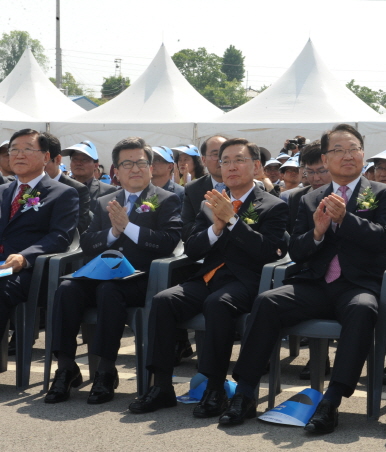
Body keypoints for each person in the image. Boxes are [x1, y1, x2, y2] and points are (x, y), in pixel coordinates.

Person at [222, 124, 386, 433]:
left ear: (363, 155)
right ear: (326, 158)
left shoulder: (383, 193)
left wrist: (346, 220)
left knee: (362, 310)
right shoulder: (308, 198)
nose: (348, 156)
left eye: (354, 149)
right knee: (267, 301)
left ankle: (331, 401)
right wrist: (317, 232)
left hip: (357, 285)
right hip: (315, 284)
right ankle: (245, 392)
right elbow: (297, 250)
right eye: (339, 150)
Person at [128, 138, 288, 416]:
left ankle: (215, 388)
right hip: (207, 277)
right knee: (164, 301)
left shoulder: (273, 205)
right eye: (225, 161)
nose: (231, 167)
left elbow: (266, 251)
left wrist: (234, 221)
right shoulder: (210, 202)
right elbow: (192, 248)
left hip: (245, 281)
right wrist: (216, 227)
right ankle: (161, 385)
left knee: (218, 304)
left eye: (239, 160)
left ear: (256, 166)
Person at [46, 137, 182, 405]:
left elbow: (169, 241)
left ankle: (105, 371)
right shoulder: (103, 202)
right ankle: (65, 368)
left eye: (141, 162)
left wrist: (129, 228)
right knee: (67, 289)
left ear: (151, 167)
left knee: (110, 290)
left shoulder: (167, 199)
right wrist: (113, 232)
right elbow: (86, 242)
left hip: (140, 278)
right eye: (127, 163)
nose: (135, 169)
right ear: (115, 170)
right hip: (101, 273)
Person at [0, 129, 78, 347]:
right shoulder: (3, 191)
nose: (19, 155)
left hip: (30, 271)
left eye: (27, 149)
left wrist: (24, 258)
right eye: (13, 150)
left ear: (46, 157)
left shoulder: (62, 193)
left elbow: (60, 237)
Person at [181, 135, 228, 242]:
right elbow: (186, 228)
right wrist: (214, 231)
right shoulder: (192, 189)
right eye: (215, 154)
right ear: (203, 160)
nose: (221, 159)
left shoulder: (244, 185)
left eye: (225, 154)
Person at [43, 133, 92, 234]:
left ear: (57, 160)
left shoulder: (77, 190)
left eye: (44, 161)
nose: (37, 166)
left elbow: (78, 227)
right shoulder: (26, 187)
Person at [285, 141, 331, 233]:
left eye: (322, 171)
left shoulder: (346, 193)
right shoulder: (297, 197)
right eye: (310, 172)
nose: (316, 178)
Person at [63, 141, 118, 213]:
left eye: (84, 160)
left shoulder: (108, 192)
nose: (79, 163)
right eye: (75, 159)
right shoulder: (62, 187)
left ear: (96, 165)